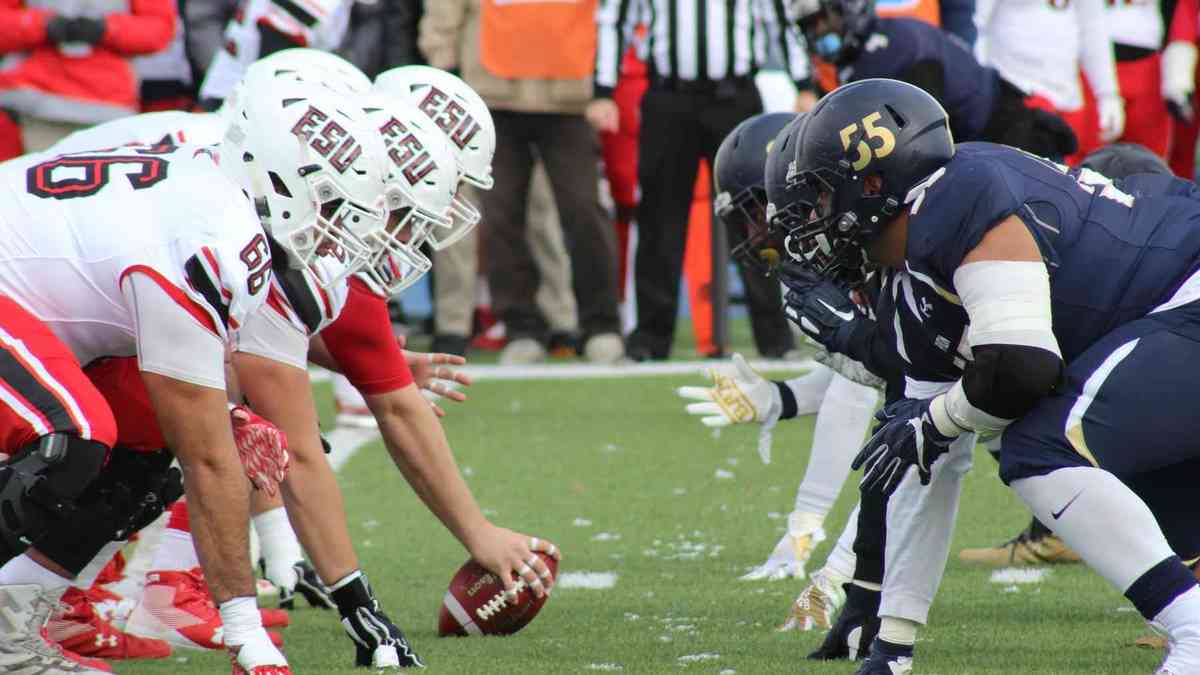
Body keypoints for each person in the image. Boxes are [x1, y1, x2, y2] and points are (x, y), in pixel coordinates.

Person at [773, 77, 1200, 674]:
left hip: (1187, 292)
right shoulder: (908, 291)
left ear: (872, 184)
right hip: (1170, 316)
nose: (811, 226)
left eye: (819, 200)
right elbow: (925, 469)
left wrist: (938, 419)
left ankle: (1193, 631)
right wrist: (892, 642)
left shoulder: (958, 193)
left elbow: (1023, 366)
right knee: (1027, 443)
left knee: (1038, 444)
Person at [0, 72, 387, 675]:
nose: (338, 228)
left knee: (148, 456)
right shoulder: (212, 237)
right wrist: (245, 632)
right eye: (331, 202)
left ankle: (8, 632)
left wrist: (227, 417)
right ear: (281, 179)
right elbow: (209, 459)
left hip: (36, 301)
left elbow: (188, 408)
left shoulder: (222, 205)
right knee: (71, 437)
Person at [677, 112, 882, 584]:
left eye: (754, 211)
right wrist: (780, 399)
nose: (752, 235)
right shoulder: (828, 252)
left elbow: (862, 380)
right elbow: (873, 366)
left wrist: (804, 525)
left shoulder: (868, 237)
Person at [593, 0, 807, 361]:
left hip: (734, 97)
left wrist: (803, 83)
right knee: (660, 217)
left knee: (757, 217)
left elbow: (781, 19)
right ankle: (650, 338)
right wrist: (603, 90)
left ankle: (775, 337)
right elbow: (615, 18)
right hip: (669, 97)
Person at [793, 0, 1078, 160]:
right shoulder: (883, 42)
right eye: (809, 27)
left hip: (1011, 140)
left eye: (822, 20)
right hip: (991, 136)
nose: (818, 33)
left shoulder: (892, 52)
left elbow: (922, 146)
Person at [0, 0, 177, 151]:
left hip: (108, 107)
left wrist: (107, 29)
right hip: (32, 103)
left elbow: (159, 29)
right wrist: (40, 25)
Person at [974, 0, 1122, 161]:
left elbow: (1092, 26)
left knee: (1066, 181)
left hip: (1065, 97)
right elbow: (977, 23)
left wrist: (1107, 94)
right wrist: (985, 88)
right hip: (1014, 94)